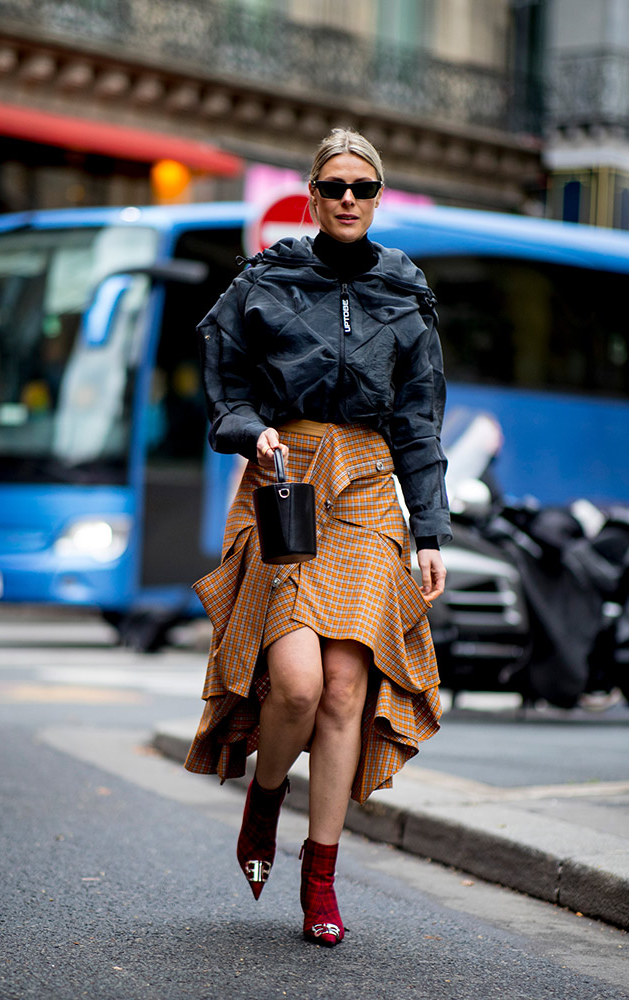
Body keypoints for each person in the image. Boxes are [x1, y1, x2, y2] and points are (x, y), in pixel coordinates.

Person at [185, 128, 450, 947]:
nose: (346, 199)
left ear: (377, 199)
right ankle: (266, 794)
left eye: (362, 189)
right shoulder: (263, 281)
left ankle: (321, 873)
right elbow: (221, 384)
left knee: (345, 689)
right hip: (288, 480)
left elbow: (418, 422)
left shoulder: (406, 296)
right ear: (310, 194)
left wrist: (430, 530)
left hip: (370, 490)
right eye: (333, 185)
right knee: (295, 685)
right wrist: (249, 432)